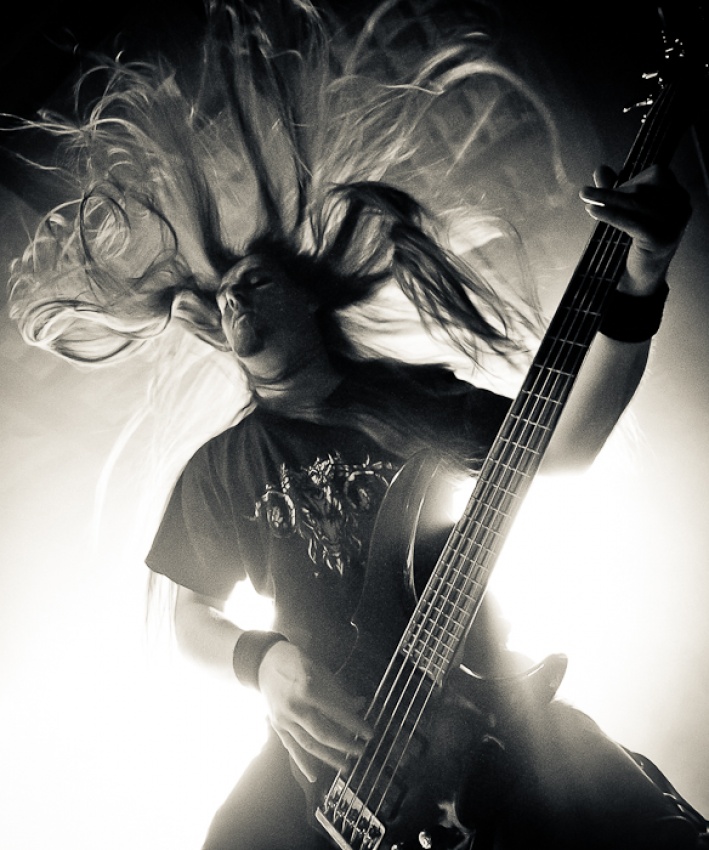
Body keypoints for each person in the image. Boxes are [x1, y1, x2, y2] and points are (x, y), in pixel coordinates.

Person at [7, 1, 707, 848]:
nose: (233, 300)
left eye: (255, 283)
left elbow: (557, 451)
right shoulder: (223, 465)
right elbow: (188, 617)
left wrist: (641, 277)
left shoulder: (417, 400)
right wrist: (260, 660)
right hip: (322, 781)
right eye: (223, 298)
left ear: (310, 298)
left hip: (486, 716)